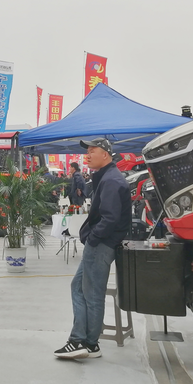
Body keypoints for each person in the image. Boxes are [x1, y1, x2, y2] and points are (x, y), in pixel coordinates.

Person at [54, 138, 131, 359]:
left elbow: (110, 218)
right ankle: (83, 341)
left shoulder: (111, 181)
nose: (87, 156)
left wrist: (94, 238)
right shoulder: (106, 177)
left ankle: (86, 342)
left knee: (92, 294)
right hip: (100, 243)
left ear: (105, 154)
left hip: (101, 244)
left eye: (92, 151)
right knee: (78, 288)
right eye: (86, 152)